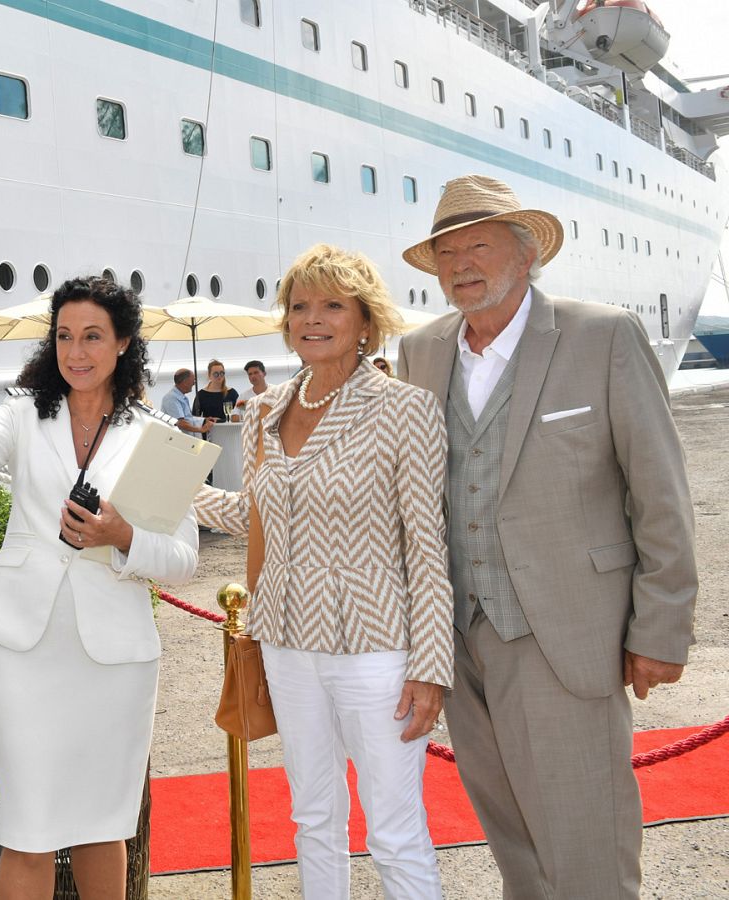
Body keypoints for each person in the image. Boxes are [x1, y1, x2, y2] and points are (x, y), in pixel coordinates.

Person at [398, 174, 697, 898]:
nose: (462, 265)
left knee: (586, 843)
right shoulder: (422, 352)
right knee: (513, 843)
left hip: (566, 632)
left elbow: (660, 493)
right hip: (459, 642)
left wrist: (661, 626)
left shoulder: (602, 336)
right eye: (447, 253)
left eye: (479, 246)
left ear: (526, 254)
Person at [0, 276, 198, 900]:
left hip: (115, 658)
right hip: (24, 648)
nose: (77, 351)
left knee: (102, 827)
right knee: (26, 829)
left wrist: (122, 537)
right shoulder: (23, 412)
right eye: (65, 336)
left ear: (123, 343)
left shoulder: (157, 438)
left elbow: (182, 559)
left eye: (93, 336)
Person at [195, 244, 450, 899]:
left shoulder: (405, 410)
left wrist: (432, 666)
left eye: (332, 304)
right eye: (299, 306)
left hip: (377, 649)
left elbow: (428, 547)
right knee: (312, 817)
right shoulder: (261, 412)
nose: (312, 318)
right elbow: (257, 517)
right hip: (285, 641)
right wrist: (162, 488)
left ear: (366, 321)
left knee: (394, 828)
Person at [158, 368, 208, 436]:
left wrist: (205, 420)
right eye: (193, 380)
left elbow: (188, 419)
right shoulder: (171, 398)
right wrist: (201, 430)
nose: (194, 383)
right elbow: (180, 423)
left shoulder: (182, 397)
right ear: (185, 382)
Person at [194, 359, 239, 424]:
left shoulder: (232, 393)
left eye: (222, 373)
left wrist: (221, 420)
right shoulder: (201, 394)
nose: (219, 376)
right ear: (209, 375)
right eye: (216, 374)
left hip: (229, 430)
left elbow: (239, 414)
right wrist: (208, 420)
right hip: (209, 430)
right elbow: (195, 418)